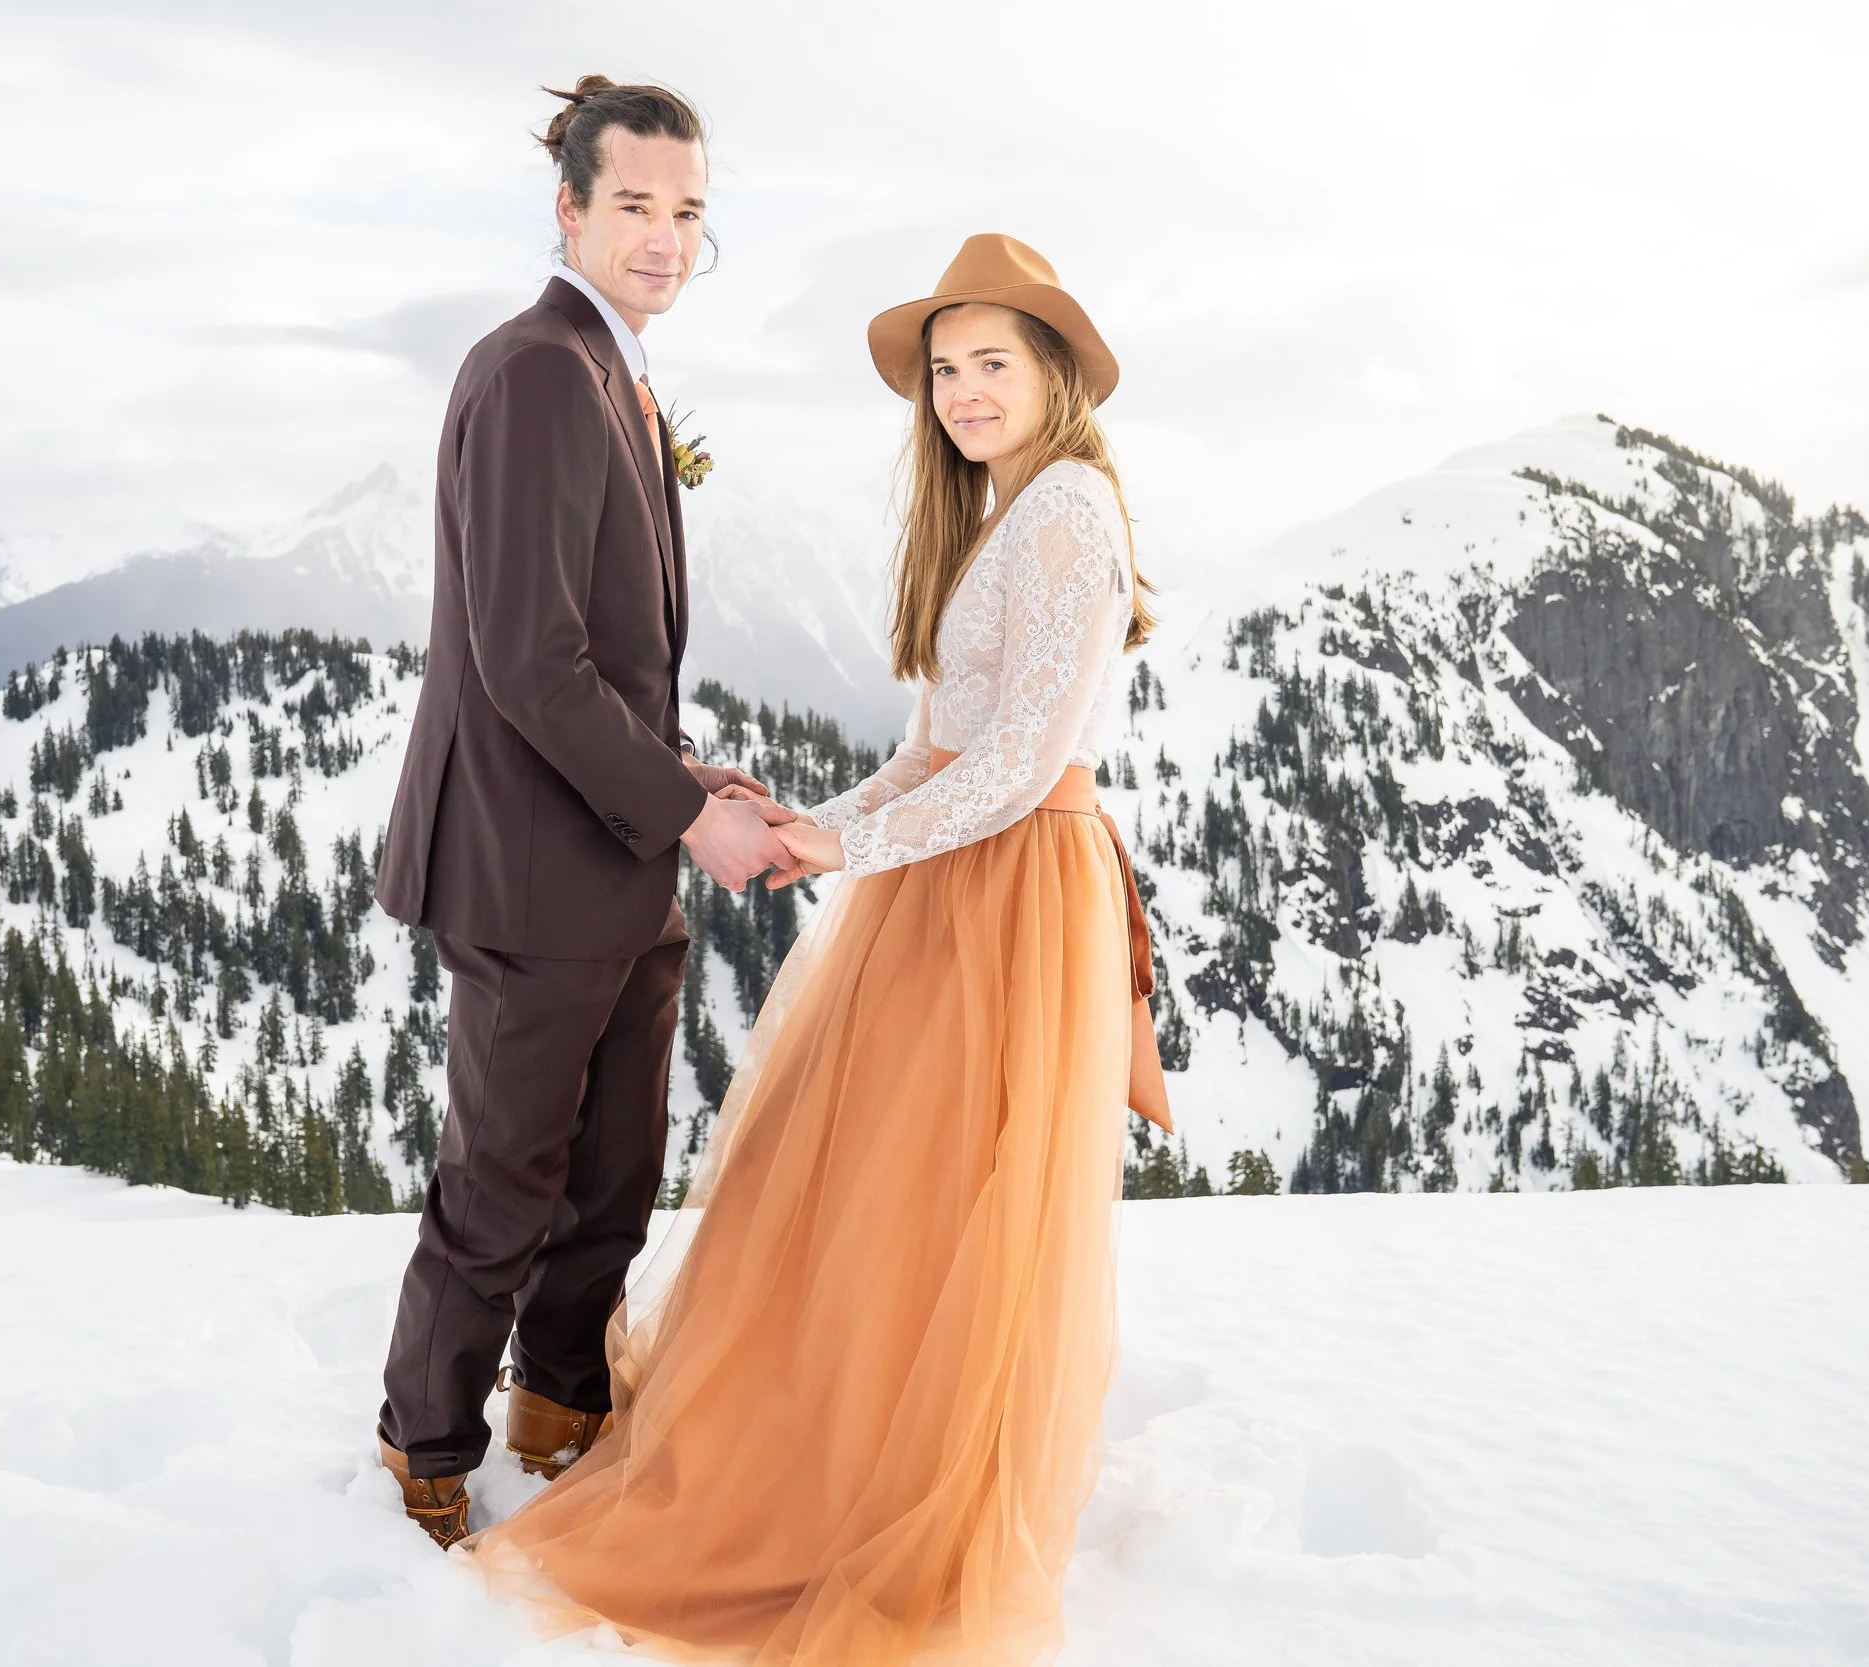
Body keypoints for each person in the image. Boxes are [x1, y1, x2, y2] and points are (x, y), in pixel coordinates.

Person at [465, 233, 1169, 1667]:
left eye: (994, 363)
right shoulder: (1001, 506)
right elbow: (935, 750)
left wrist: (842, 849)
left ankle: (903, 1488)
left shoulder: (1070, 512)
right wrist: (809, 821)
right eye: (947, 368)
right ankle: (844, 1446)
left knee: (945, 1197)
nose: (966, 392)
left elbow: (1027, 764)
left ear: (1054, 375)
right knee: (884, 1189)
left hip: (1013, 892)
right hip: (952, 884)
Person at [367, 75, 796, 1549]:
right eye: (635, 206)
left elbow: (607, 655)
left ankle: (562, 1400)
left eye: (688, 212)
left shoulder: (618, 371)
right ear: (568, 207)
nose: (666, 238)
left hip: (616, 865)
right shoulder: (541, 368)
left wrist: (694, 774)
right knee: (504, 1181)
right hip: (531, 869)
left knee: (613, 1169)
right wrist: (690, 813)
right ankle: (424, 1436)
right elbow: (528, 662)